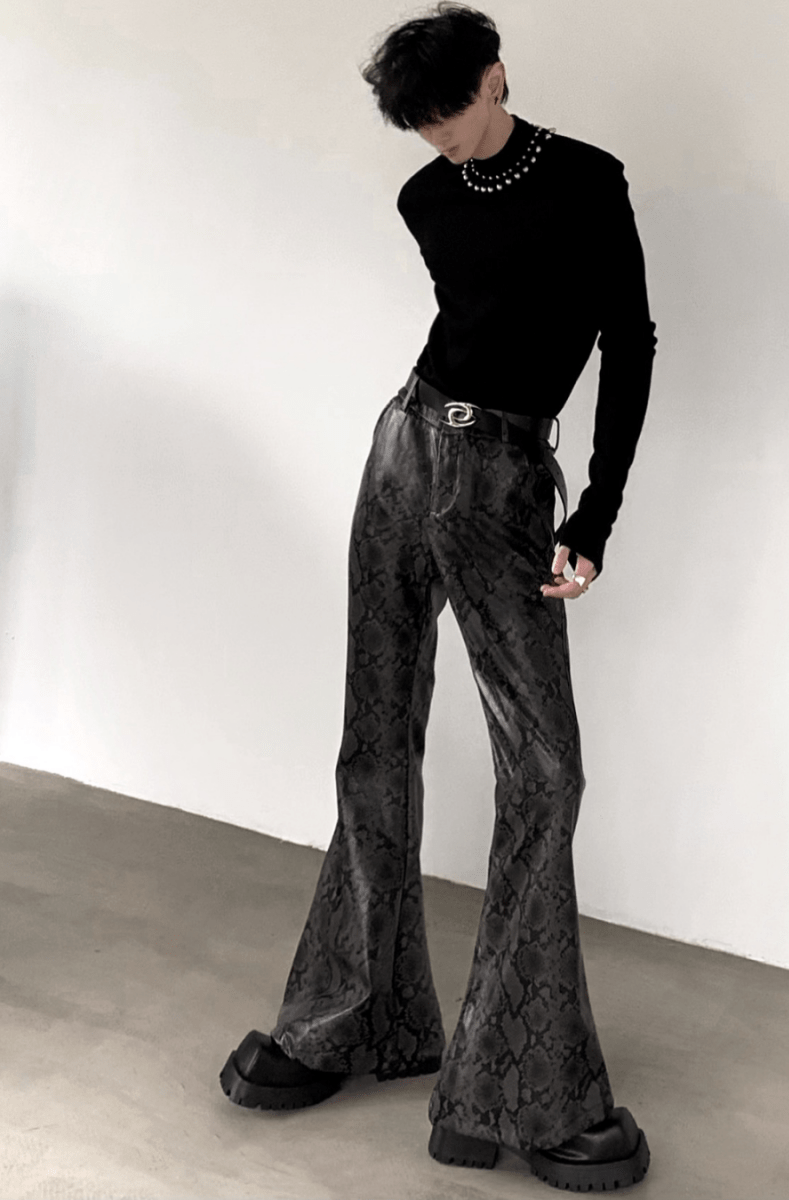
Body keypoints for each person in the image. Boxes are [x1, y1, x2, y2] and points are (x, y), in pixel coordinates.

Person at [218, 3, 657, 1191]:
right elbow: (469, 328)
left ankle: (517, 1082)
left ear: (495, 76)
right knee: (374, 739)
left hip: (507, 480)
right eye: (419, 125)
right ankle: (349, 1019)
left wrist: (594, 516)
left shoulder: (588, 182)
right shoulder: (425, 198)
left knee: (547, 772)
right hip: (403, 454)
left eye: (450, 112)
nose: (441, 140)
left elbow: (629, 342)